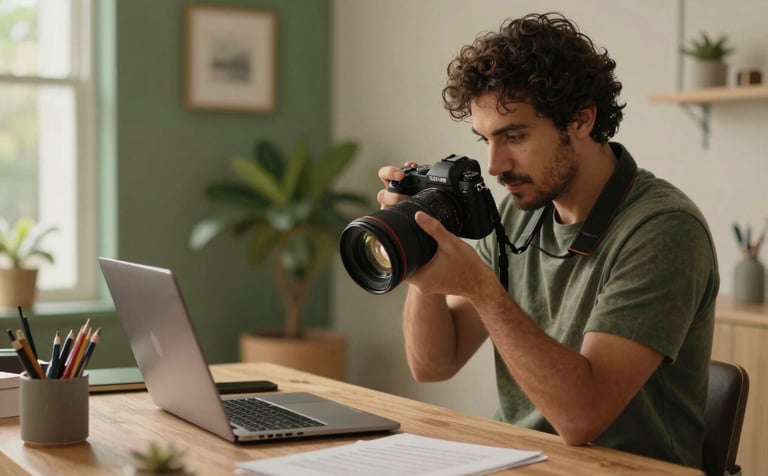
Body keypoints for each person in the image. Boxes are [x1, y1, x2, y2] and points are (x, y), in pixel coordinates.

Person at [376, 12, 719, 469]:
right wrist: (419, 248)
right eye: (485, 140)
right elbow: (434, 365)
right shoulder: (519, 213)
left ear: (581, 119)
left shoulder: (663, 228)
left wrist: (481, 288)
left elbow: (581, 418)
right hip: (522, 461)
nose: (494, 165)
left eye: (514, 136)